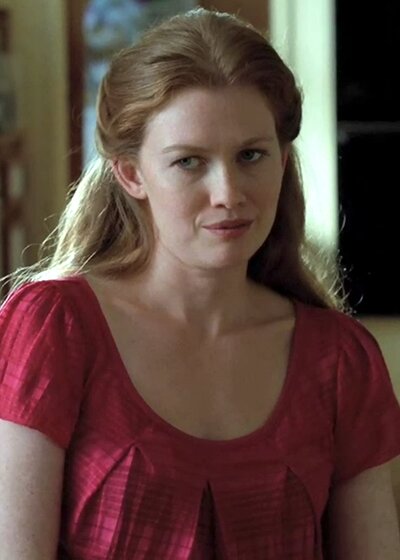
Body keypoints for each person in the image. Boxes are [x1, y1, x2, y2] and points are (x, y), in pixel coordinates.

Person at [1, 8, 400, 560]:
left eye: (251, 155)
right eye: (189, 161)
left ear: (283, 160)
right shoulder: (55, 327)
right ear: (131, 173)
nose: (229, 193)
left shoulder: (340, 360)